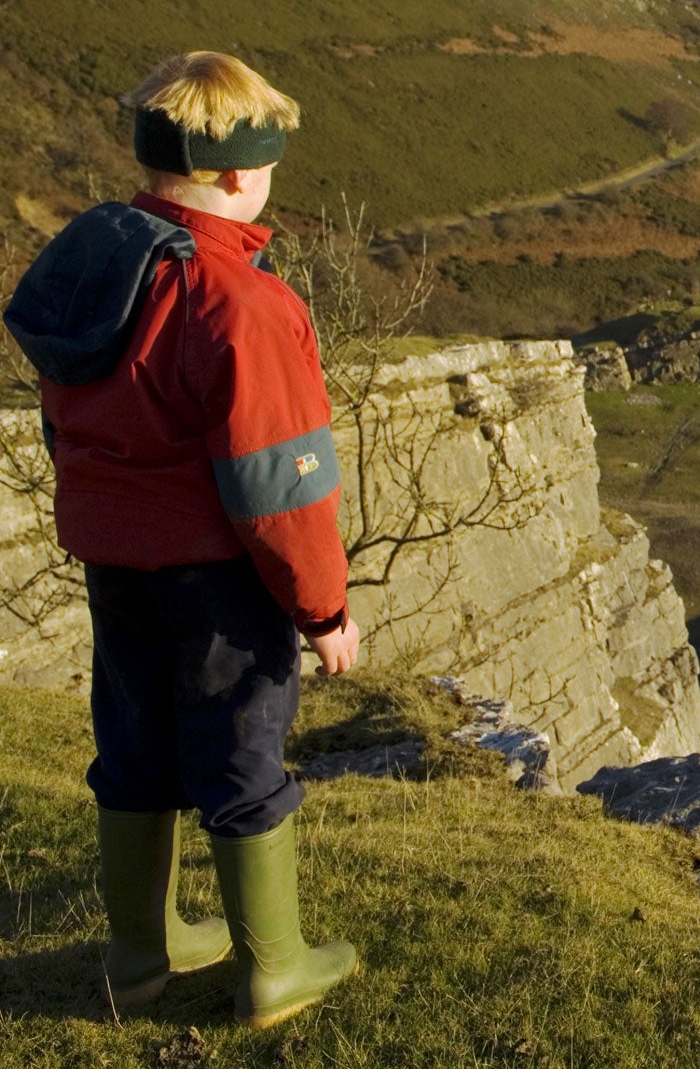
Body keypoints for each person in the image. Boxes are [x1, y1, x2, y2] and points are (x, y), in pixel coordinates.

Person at [3, 52, 359, 1027]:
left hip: (112, 560)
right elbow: (279, 484)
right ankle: (274, 968)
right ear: (242, 173)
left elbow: (63, 412)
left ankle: (138, 957)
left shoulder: (97, 257)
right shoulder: (239, 302)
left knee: (134, 740)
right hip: (216, 579)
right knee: (241, 749)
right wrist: (322, 609)